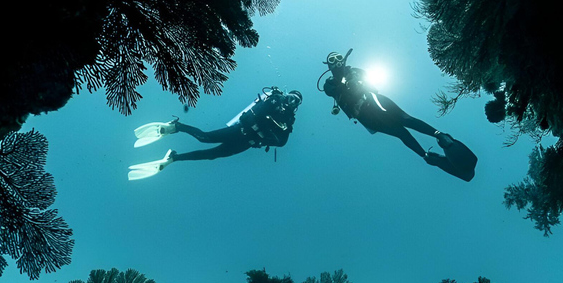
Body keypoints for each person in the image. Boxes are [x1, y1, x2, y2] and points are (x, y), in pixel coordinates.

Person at [320, 49, 477, 181]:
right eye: (332, 60)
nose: (337, 61)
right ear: (328, 65)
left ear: (344, 58)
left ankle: (442, 137)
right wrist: (343, 83)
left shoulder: (355, 71)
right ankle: (426, 156)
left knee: (405, 119)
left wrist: (353, 80)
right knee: (400, 133)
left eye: (339, 57)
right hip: (364, 115)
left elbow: (367, 80)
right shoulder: (329, 84)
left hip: (372, 99)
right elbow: (331, 91)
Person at [128, 87, 302, 180]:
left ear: (297, 106)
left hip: (246, 143)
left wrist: (267, 139)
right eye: (292, 97)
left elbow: (282, 142)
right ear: (286, 95)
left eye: (296, 101)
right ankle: (176, 126)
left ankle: (173, 158)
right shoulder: (274, 100)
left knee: (211, 155)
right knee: (204, 138)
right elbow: (262, 109)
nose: (292, 101)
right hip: (240, 131)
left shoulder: (288, 121)